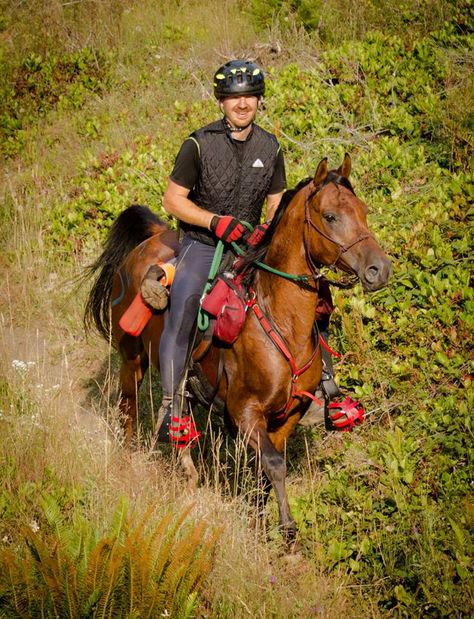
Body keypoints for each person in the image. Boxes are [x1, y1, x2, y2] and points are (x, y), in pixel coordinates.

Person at [145, 59, 287, 444]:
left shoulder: (270, 147)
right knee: (184, 308)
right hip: (203, 245)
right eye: (234, 98)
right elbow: (173, 200)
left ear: (259, 100)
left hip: (248, 249)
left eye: (250, 97)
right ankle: (171, 410)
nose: (243, 104)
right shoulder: (198, 144)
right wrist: (213, 222)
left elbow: (274, 202)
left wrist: (266, 228)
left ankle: (321, 388)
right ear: (222, 101)